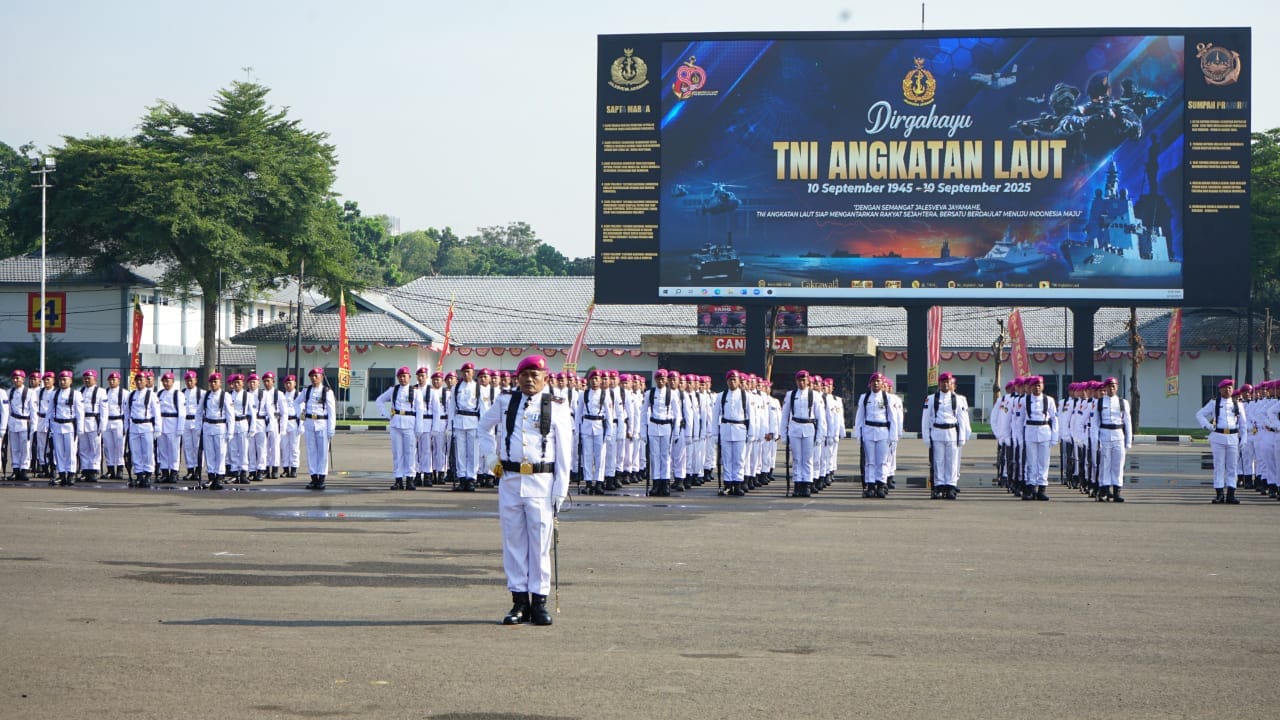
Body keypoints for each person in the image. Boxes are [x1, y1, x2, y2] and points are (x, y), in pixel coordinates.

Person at [478, 354, 572, 626]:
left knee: (540, 544)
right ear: (517, 377)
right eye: (524, 375)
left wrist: (560, 489)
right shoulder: (505, 401)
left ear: (545, 378)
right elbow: (484, 428)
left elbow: (565, 451)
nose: (529, 380)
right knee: (514, 543)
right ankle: (519, 602)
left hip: (542, 482)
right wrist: (491, 460)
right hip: (510, 480)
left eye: (535, 375)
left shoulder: (557, 406)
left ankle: (539, 601)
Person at [922, 371, 972, 500]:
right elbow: (925, 419)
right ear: (939, 384)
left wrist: (962, 436)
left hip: (952, 433)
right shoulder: (931, 399)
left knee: (952, 461)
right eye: (943, 382)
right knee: (938, 461)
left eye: (948, 382)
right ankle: (938, 486)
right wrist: (926, 437)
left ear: (951, 384)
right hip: (937, 433)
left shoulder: (959, 399)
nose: (945, 384)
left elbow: (962, 419)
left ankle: (950, 485)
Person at [1196, 378, 1247, 504]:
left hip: (1233, 437)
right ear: (1220, 390)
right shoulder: (1214, 403)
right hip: (1218, 437)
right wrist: (1207, 426)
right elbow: (1199, 414)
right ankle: (1219, 494)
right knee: (1219, 466)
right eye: (1225, 387)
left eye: (1230, 387)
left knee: (1232, 467)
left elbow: (1243, 423)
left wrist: (1244, 438)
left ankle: (1231, 494)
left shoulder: (1238, 404)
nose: (1228, 389)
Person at [1013, 375, 1059, 500]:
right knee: (1031, 462)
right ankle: (1030, 488)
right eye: (1034, 385)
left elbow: (1055, 419)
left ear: (1043, 386)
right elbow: (1019, 420)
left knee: (1043, 462)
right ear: (1030, 387)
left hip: (1044, 431)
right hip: (1030, 431)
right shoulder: (1024, 401)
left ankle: (1042, 488)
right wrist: (1018, 437)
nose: (1037, 388)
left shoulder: (1049, 400)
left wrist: (1055, 436)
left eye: (1039, 385)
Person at [377, 366, 423, 490]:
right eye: (400, 376)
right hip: (396, 423)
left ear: (409, 377)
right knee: (397, 453)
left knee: (410, 452)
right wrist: (386, 415)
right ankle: (398, 479)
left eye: (405, 376)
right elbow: (379, 400)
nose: (403, 378)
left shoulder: (416, 391)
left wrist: (419, 428)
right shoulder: (393, 390)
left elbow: (420, 410)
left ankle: (409, 479)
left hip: (410, 424)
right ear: (398, 378)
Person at [852, 373, 894, 498]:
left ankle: (881, 484)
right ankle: (870, 485)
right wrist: (858, 435)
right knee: (869, 461)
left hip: (883, 432)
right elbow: (859, 418)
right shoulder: (864, 398)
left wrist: (893, 436)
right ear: (870, 384)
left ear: (882, 383)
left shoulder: (887, 398)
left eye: (878, 381)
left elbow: (892, 418)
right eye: (874, 381)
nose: (876, 383)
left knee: (882, 461)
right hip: (868, 431)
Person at [1090, 376, 1132, 502]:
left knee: (1118, 464)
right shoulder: (1100, 402)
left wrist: (1128, 440)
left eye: (1113, 386)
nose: (1111, 388)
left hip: (1118, 434)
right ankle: (1105, 489)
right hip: (1104, 434)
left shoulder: (1123, 402)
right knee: (1104, 463)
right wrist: (1095, 440)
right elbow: (1095, 423)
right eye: (1109, 386)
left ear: (1117, 387)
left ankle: (1117, 491)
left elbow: (1127, 422)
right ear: (1106, 388)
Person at [712, 369, 751, 496]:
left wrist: (751, 433)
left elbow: (751, 417)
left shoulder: (746, 396)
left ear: (739, 381)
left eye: (735, 379)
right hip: (726, 429)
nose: (732, 382)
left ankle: (738, 483)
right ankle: (728, 483)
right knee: (727, 459)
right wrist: (714, 434)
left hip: (740, 429)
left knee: (739, 459)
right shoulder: (721, 396)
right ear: (727, 381)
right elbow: (715, 416)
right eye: (730, 380)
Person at [297, 368, 336, 490]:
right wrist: (300, 415)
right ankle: (313, 477)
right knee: (311, 451)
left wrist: (331, 428)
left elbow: (332, 412)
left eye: (316, 376)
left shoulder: (327, 392)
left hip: (322, 423)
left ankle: (322, 478)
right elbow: (296, 403)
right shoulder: (306, 390)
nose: (314, 378)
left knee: (323, 452)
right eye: (312, 376)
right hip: (309, 423)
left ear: (322, 377)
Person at [198, 372, 236, 490]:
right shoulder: (206, 395)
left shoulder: (225, 396)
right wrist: (199, 427)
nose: (213, 384)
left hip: (220, 426)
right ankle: (211, 475)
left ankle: (219, 476)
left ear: (220, 383)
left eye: (215, 382)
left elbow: (230, 415)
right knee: (209, 453)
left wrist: (230, 431)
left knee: (220, 453)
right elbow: (199, 412)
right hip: (208, 426)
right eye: (211, 382)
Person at [48, 371, 85, 486]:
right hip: (57, 425)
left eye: (65, 379)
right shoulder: (54, 394)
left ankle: (71, 474)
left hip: (70, 425)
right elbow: (50, 411)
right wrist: (48, 425)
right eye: (61, 380)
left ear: (70, 381)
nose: (63, 382)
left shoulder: (76, 394)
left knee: (70, 451)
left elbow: (80, 412)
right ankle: (62, 474)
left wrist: (80, 428)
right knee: (58, 451)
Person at [125, 371, 161, 487]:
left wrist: (157, 429)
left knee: (147, 452)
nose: (139, 382)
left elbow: (157, 413)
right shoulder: (131, 395)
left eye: (142, 380)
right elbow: (127, 413)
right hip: (134, 426)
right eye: (137, 380)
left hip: (146, 425)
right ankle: (139, 474)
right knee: (135, 452)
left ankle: (148, 474)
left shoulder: (151, 395)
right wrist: (127, 428)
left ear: (146, 381)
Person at [155, 372, 187, 484]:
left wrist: (180, 428)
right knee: (162, 450)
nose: (166, 383)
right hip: (162, 423)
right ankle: (164, 472)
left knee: (174, 450)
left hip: (173, 423)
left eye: (168, 381)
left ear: (173, 382)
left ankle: (174, 472)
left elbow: (182, 412)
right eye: (164, 381)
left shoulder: (178, 394)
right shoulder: (159, 394)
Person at [77, 370, 107, 483]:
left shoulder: (101, 392)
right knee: (83, 448)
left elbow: (104, 410)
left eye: (89, 378)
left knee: (95, 447)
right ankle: (85, 470)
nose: (86, 380)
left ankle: (94, 470)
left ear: (95, 379)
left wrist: (103, 425)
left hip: (94, 421)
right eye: (85, 378)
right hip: (82, 421)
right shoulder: (80, 391)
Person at [7, 370, 36, 482]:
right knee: (14, 448)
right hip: (13, 421)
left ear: (23, 379)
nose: (15, 380)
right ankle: (15, 469)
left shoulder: (30, 392)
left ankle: (24, 469)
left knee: (25, 448)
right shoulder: (10, 392)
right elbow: (8, 409)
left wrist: (33, 426)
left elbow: (33, 411)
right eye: (14, 378)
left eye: (18, 378)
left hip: (25, 423)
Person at [103, 372, 129, 480]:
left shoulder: (125, 393)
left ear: (119, 381)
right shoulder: (104, 392)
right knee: (108, 447)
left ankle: (119, 469)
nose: (112, 381)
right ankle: (110, 469)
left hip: (118, 420)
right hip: (107, 421)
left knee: (119, 446)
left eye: (114, 379)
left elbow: (127, 410)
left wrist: (126, 425)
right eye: (110, 379)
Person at [180, 371, 205, 482]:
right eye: (187, 380)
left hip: (196, 421)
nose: (189, 382)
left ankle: (198, 470)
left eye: (191, 380)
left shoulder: (202, 393)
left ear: (195, 380)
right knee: (187, 447)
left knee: (198, 447)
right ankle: (190, 470)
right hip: (186, 421)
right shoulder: (182, 393)